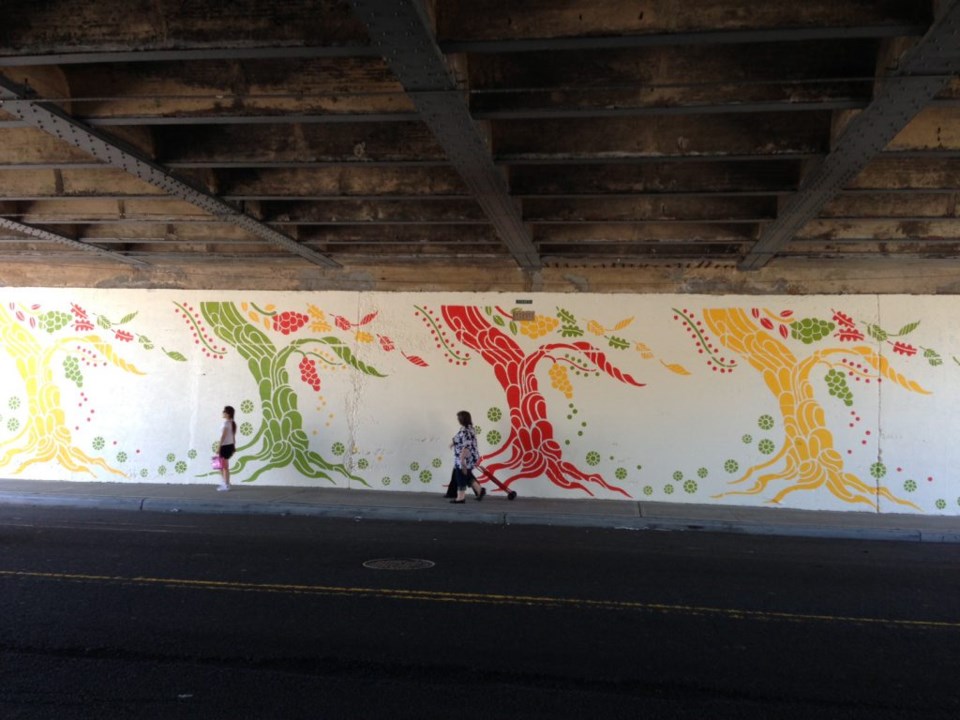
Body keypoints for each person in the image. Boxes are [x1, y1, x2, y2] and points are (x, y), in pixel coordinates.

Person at [450, 410, 485, 504]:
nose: (457, 419)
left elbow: (467, 446)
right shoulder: (469, 428)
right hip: (466, 456)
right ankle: (479, 490)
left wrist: (462, 461)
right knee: (467, 475)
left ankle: (461, 497)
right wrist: (452, 443)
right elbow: (458, 439)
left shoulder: (465, 430)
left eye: (459, 418)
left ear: (462, 419)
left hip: (465, 457)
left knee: (460, 476)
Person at [216, 405, 237, 491]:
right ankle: (225, 482)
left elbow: (223, 436)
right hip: (230, 446)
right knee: (222, 466)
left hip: (224, 446)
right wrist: (234, 446)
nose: (223, 413)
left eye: (224, 411)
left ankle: (226, 484)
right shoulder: (232, 423)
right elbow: (233, 436)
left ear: (228, 413)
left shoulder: (226, 423)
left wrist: (218, 447)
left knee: (222, 466)